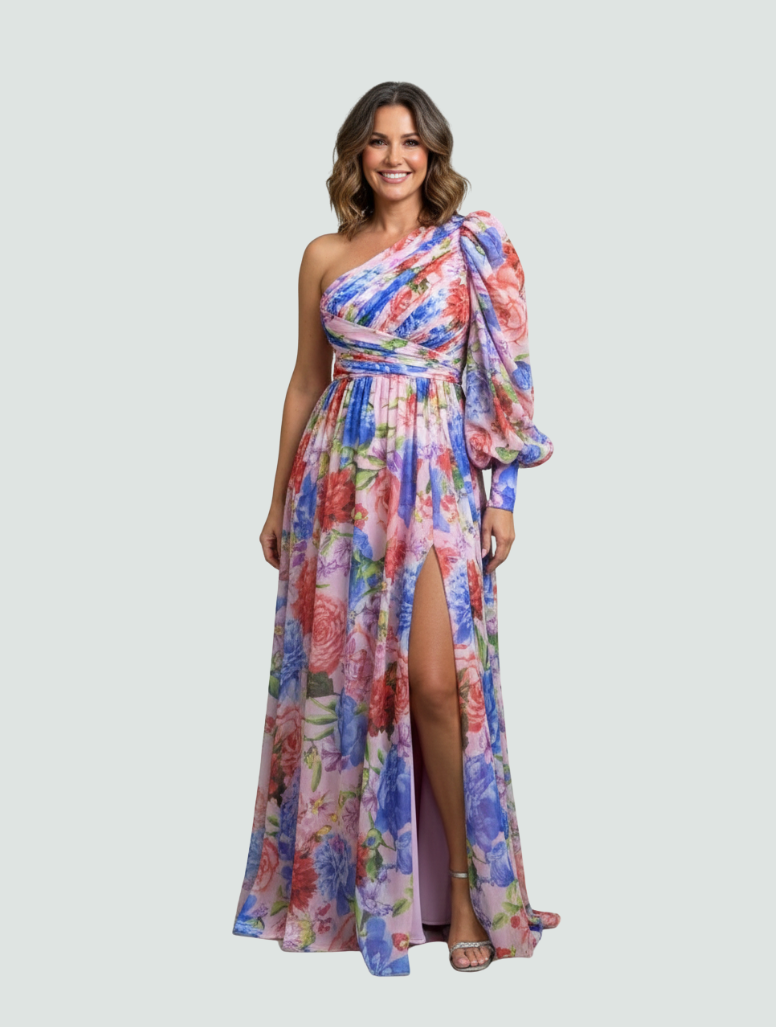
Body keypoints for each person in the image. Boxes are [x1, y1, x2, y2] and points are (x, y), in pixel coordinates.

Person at [231, 81, 560, 977]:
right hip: (339, 487)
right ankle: (373, 891)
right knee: (344, 691)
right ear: (356, 155)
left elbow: (502, 379)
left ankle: (468, 889)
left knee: (438, 685)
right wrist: (276, 502)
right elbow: (306, 381)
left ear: (433, 153)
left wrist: (503, 497)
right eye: (378, 142)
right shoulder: (324, 254)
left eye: (410, 141)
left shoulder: (468, 248)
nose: (394, 157)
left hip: (439, 475)